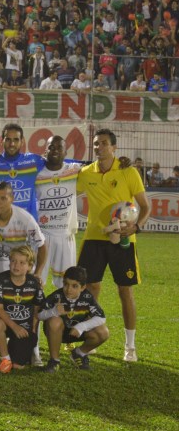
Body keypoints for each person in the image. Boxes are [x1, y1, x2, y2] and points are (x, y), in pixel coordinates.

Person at [76, 128, 149, 362]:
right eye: (96, 143)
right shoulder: (86, 173)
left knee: (125, 291)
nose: (99, 147)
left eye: (104, 143)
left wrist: (136, 227)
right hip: (94, 238)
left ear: (114, 147)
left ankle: (130, 346)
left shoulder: (128, 171)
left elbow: (145, 207)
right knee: (90, 289)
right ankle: (91, 337)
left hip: (123, 240)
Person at [38, 266, 109, 372]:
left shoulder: (87, 297)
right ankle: (54, 361)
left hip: (77, 332)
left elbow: (101, 317)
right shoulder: (57, 296)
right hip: (57, 332)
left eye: (74, 286)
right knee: (54, 321)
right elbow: (39, 315)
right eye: (66, 284)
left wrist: (81, 327)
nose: (69, 289)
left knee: (103, 332)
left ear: (83, 287)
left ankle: (79, 353)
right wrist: (54, 311)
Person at [0, 181, 47, 279]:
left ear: (12, 198)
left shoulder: (25, 219)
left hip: (17, 266)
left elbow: (41, 245)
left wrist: (38, 273)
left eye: (3, 198)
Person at [0, 245, 45, 373]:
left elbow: (37, 309)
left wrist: (33, 329)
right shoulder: (0, 279)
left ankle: (18, 353)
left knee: (18, 366)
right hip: (7, 324)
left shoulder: (34, 283)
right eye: (13, 261)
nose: (16, 265)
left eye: (22, 262)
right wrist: (15, 327)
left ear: (30, 266)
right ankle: (5, 359)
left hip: (24, 328)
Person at [35, 136, 82, 288]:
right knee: (36, 282)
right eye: (51, 147)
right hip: (41, 235)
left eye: (59, 147)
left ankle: (62, 305)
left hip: (65, 235)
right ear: (45, 151)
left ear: (65, 152)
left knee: (66, 284)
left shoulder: (74, 170)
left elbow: (97, 166)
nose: (55, 150)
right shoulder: (36, 174)